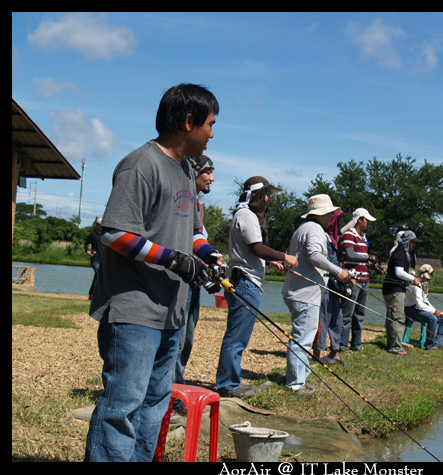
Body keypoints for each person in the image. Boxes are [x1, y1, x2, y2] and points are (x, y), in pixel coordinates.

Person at [84, 83, 222, 462]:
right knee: (122, 409)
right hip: (134, 311)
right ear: (188, 121)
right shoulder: (140, 164)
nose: (212, 133)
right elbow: (113, 232)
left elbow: (192, 230)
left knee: (155, 407)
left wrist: (207, 255)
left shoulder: (185, 170)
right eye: (210, 124)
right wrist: (174, 260)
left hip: (171, 311)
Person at [216, 176, 298, 398]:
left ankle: (230, 383)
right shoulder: (247, 216)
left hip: (244, 281)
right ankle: (228, 386)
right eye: (268, 194)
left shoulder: (243, 215)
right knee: (236, 337)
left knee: (238, 336)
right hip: (245, 283)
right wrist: (285, 256)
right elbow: (257, 248)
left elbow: (251, 250)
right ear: (258, 196)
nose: (270, 199)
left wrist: (272, 261)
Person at [282, 194, 351, 396]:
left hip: (301, 291)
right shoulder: (314, 229)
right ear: (324, 213)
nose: (332, 216)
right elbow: (314, 255)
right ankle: (295, 383)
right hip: (304, 292)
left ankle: (300, 378)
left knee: (305, 335)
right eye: (330, 212)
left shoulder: (303, 228)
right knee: (302, 338)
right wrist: (338, 271)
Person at [173, 155, 221, 412]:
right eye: (208, 172)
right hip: (176, 279)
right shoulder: (176, 198)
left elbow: (196, 237)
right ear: (193, 173)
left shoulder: (197, 207)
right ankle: (170, 393)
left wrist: (213, 257)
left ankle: (176, 385)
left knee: (187, 337)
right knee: (176, 337)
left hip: (194, 282)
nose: (212, 178)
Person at [339, 208, 378, 356]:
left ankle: (356, 344)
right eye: (366, 220)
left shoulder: (363, 237)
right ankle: (342, 344)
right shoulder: (349, 234)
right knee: (347, 314)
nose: (368, 223)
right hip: (352, 280)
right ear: (359, 220)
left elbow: (362, 256)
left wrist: (373, 265)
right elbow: (349, 254)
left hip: (365, 279)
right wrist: (367, 257)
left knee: (360, 314)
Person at [313, 208, 348, 367]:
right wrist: (341, 272)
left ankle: (334, 353)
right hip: (324, 285)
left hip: (335, 286)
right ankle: (317, 354)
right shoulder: (324, 238)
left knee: (337, 318)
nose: (342, 223)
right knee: (323, 319)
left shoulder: (335, 238)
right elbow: (325, 261)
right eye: (340, 220)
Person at [382, 231, 422, 355]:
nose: (414, 245)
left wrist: (409, 272)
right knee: (397, 317)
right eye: (413, 242)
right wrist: (413, 279)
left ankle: (392, 344)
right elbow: (399, 272)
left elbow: (400, 270)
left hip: (394, 289)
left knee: (393, 317)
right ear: (408, 242)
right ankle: (395, 347)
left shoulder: (403, 253)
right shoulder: (399, 252)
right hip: (394, 290)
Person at [404, 264, 443, 350]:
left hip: (420, 310)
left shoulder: (423, 286)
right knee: (433, 318)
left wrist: (437, 311)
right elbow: (419, 304)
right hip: (411, 310)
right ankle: (429, 345)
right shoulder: (415, 286)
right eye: (431, 275)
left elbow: (426, 302)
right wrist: (434, 311)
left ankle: (440, 344)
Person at [84, 217, 103, 300]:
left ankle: (92, 294)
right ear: (97, 225)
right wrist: (87, 251)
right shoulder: (93, 235)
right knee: (98, 274)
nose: (101, 226)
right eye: (100, 225)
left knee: (97, 276)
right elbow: (86, 244)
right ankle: (94, 295)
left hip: (104, 260)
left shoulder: (105, 235)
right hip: (95, 259)